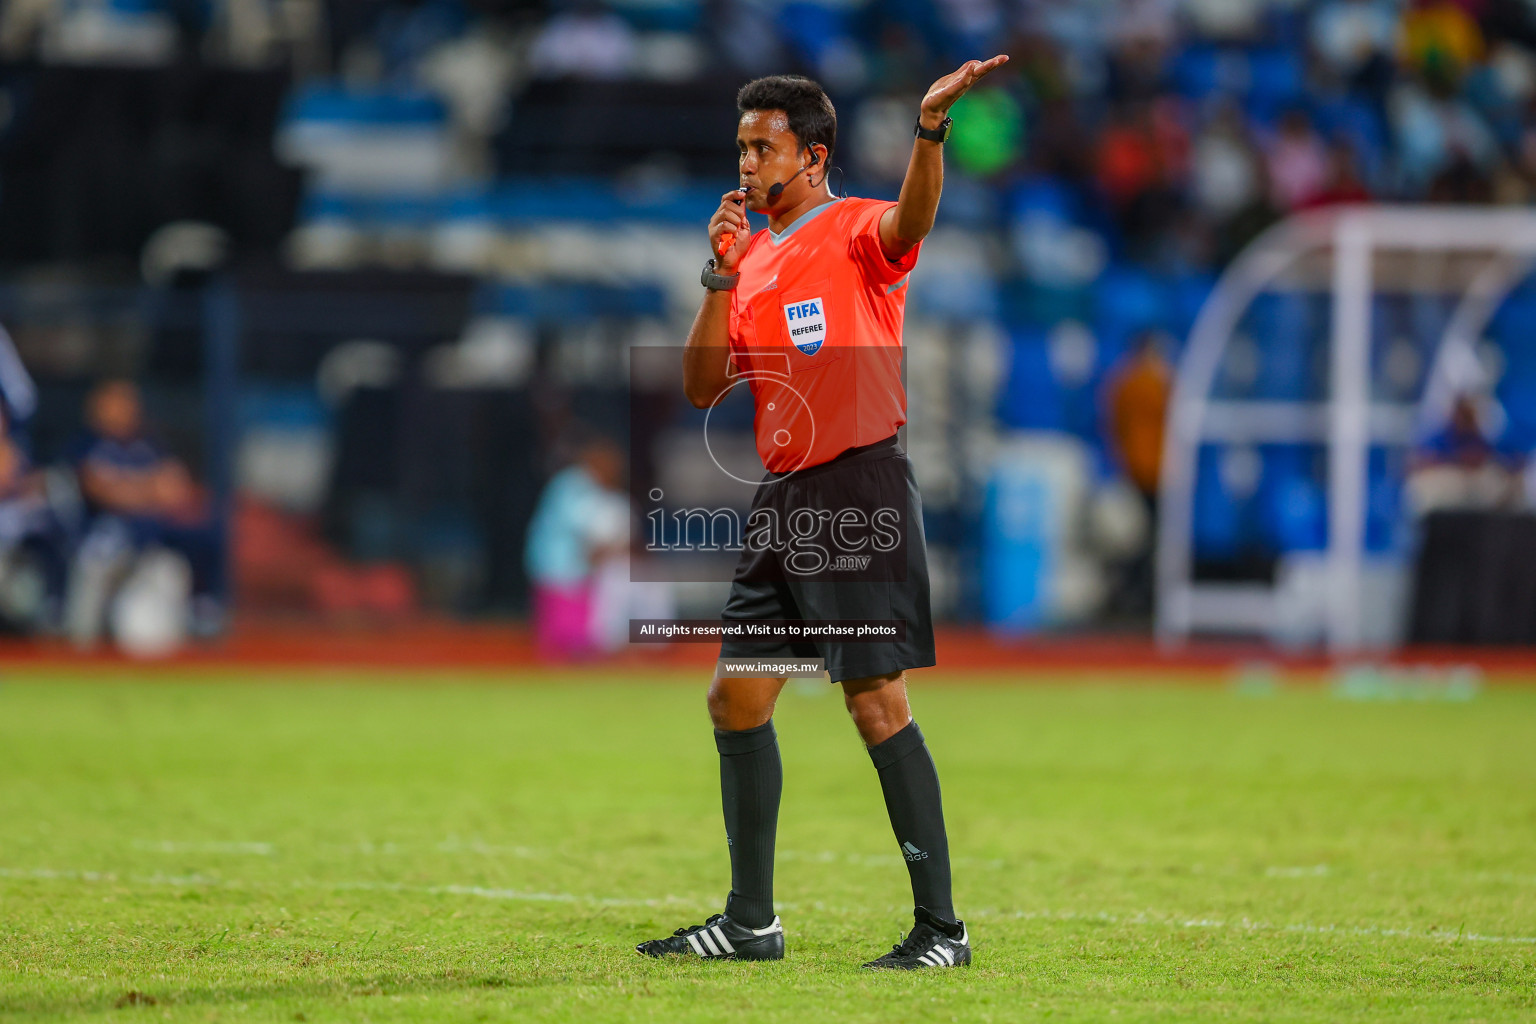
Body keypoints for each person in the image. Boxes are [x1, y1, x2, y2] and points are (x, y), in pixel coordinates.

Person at [635, 59, 1007, 970]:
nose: (748, 163)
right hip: (785, 502)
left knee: (877, 704)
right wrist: (719, 280)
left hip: (856, 491)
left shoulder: (854, 231)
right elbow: (700, 386)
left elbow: (912, 220)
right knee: (735, 700)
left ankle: (941, 932)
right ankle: (752, 923)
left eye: (764, 147)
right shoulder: (753, 259)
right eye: (742, 147)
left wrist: (929, 132)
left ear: (813, 155)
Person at [68, 380, 225, 641]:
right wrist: (148, 489)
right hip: (101, 549)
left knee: (187, 555)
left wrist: (125, 487)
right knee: (82, 633)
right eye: (112, 403)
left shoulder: (149, 447)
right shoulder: (86, 445)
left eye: (126, 403)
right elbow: (101, 491)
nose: (121, 410)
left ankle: (200, 613)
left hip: (148, 547)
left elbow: (175, 489)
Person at [523, 436, 630, 660]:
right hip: (559, 569)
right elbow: (586, 531)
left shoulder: (585, 486)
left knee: (576, 633)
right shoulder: (575, 485)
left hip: (573, 572)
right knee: (563, 637)